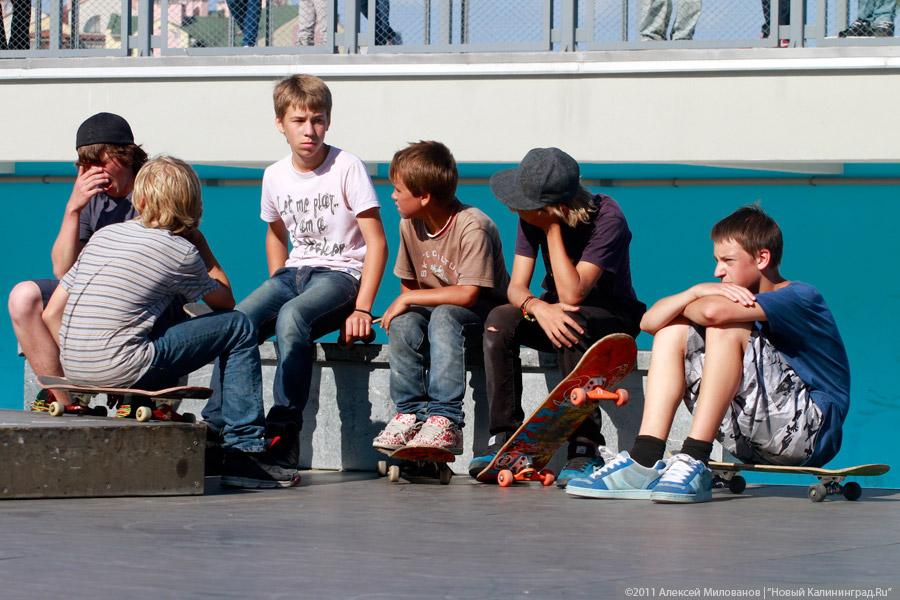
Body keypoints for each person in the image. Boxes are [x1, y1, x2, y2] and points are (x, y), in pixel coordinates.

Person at [41, 156, 299, 489]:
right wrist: (202, 244)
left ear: (141, 199)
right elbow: (225, 302)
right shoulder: (180, 250)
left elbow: (51, 313)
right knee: (238, 326)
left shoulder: (104, 237)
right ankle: (244, 451)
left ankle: (223, 435)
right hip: (120, 365)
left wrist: (87, 356)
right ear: (191, 205)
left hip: (73, 368)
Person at [566, 206, 850, 504]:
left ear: (762, 258)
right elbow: (649, 322)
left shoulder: (800, 296)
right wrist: (695, 291)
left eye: (728, 261)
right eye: (716, 261)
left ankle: (694, 456)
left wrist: (697, 301)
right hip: (749, 439)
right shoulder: (725, 293)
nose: (718, 272)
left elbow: (713, 312)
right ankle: (644, 458)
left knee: (724, 327)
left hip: (809, 432)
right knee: (671, 330)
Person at [201, 74, 388, 470]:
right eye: (299, 121)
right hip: (292, 275)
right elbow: (275, 234)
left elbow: (376, 242)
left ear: (328, 121)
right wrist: (276, 278)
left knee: (292, 318)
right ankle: (218, 429)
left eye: (317, 120)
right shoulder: (274, 175)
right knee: (235, 324)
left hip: (339, 278)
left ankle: (283, 432)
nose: (310, 130)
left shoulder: (347, 167)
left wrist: (362, 308)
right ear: (280, 124)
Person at [467, 148, 646, 486]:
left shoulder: (609, 219)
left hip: (611, 317)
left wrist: (552, 231)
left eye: (522, 204)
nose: (512, 207)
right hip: (555, 310)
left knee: (572, 320)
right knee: (499, 321)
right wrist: (537, 308)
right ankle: (505, 437)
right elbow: (517, 288)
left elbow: (574, 294)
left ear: (550, 208)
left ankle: (585, 447)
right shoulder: (530, 218)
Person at [371, 141, 509, 455]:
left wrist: (409, 300)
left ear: (424, 196)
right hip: (438, 317)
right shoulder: (409, 223)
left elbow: (469, 293)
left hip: (483, 320)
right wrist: (407, 304)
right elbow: (410, 290)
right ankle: (409, 413)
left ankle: (446, 420)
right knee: (404, 321)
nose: (392, 196)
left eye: (398, 190)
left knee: (445, 314)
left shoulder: (474, 227)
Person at [8, 113, 147, 409]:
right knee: (24, 297)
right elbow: (61, 269)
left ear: (127, 156)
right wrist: (73, 209)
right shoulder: (91, 197)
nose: (93, 172)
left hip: (139, 300)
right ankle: (67, 398)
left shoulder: (153, 187)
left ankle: (125, 385)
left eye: (101, 161)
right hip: (90, 294)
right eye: (85, 164)